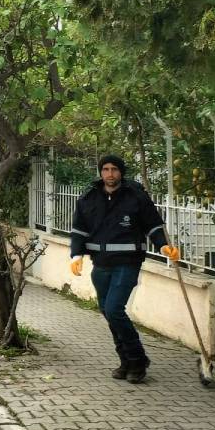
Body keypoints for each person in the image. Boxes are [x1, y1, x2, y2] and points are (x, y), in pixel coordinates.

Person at [69, 155, 179, 384]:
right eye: (106, 169)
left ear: (121, 172)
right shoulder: (88, 198)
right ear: (100, 172)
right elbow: (79, 230)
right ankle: (125, 361)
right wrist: (76, 255)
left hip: (127, 263)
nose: (110, 174)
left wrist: (164, 246)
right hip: (100, 264)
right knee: (108, 312)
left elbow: (153, 225)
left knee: (114, 309)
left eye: (114, 169)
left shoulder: (136, 196)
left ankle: (138, 360)